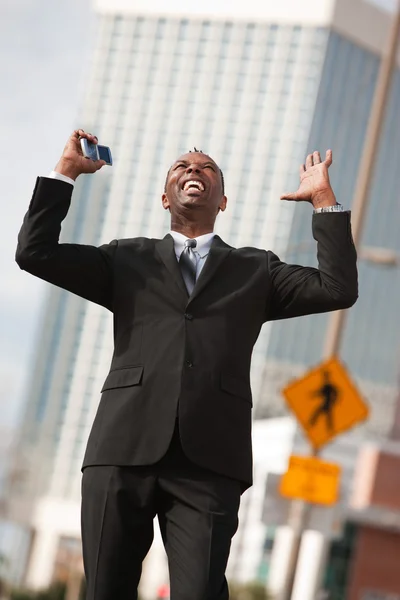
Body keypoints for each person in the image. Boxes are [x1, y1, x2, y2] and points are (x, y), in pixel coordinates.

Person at [16, 129, 358, 600]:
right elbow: (34, 252)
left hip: (210, 461)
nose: (194, 170)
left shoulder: (257, 269)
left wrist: (323, 198)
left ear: (222, 200)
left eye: (207, 168)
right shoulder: (125, 258)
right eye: (182, 166)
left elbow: (337, 288)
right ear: (164, 197)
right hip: (121, 451)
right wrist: (67, 173)